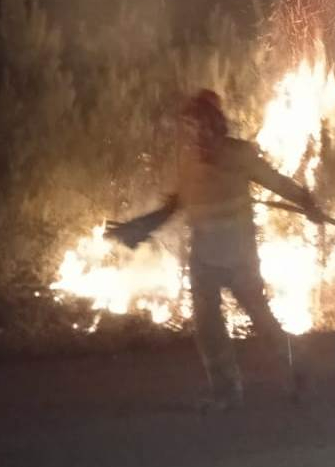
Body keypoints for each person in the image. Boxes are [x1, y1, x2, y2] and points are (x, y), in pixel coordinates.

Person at [108, 89, 318, 410]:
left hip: (239, 257)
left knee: (261, 319)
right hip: (204, 257)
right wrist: (141, 226)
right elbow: (175, 205)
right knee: (208, 328)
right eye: (191, 129)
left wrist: (306, 201)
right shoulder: (188, 161)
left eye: (203, 127)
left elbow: (276, 182)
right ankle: (226, 391)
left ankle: (295, 361)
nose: (198, 136)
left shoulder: (240, 155)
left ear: (218, 126)